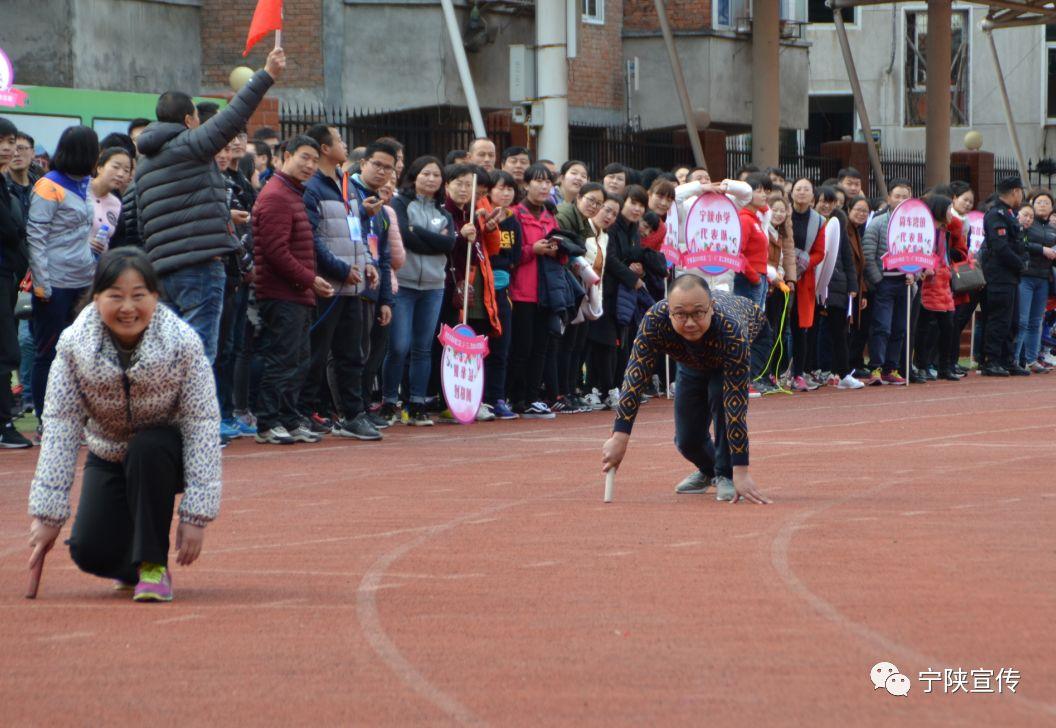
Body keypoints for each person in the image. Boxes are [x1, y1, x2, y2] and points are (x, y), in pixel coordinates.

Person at [26, 248, 221, 602]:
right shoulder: (73, 346)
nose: (127, 308)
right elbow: (61, 426)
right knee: (89, 551)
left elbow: (201, 424)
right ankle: (131, 567)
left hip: (165, 454)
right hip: (109, 451)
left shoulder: (183, 343)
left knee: (148, 448)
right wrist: (47, 514)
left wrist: (197, 514)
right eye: (115, 296)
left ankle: (153, 567)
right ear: (96, 297)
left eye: (138, 296)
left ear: (156, 297)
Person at [134, 47, 285, 364]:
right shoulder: (190, 143)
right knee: (199, 355)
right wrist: (267, 74)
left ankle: (169, 413)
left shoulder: (146, 162)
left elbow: (141, 221)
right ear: (190, 119)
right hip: (199, 265)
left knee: (170, 353)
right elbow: (233, 117)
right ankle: (193, 414)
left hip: (163, 267)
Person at [601, 275, 771, 504]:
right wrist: (619, 437)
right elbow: (635, 376)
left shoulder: (732, 330)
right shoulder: (654, 320)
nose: (689, 322)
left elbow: (735, 406)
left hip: (749, 343)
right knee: (687, 439)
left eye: (698, 313)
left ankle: (726, 475)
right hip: (693, 357)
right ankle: (710, 470)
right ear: (669, 312)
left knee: (720, 394)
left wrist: (740, 471)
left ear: (711, 308)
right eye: (680, 314)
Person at [299, 126, 384, 441]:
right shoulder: (312, 187)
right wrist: (339, 268)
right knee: (316, 352)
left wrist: (367, 264)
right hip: (327, 285)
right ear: (324, 148)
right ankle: (303, 412)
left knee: (352, 353)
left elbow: (355, 230)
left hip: (352, 283)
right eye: (338, 140)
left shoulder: (345, 184)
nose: (345, 145)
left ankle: (352, 414)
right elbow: (311, 238)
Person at [251, 135, 335, 444]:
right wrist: (311, 279)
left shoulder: (291, 193)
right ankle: (267, 422)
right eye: (304, 157)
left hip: (296, 292)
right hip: (281, 293)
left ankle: (287, 418)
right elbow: (276, 252)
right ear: (285, 156)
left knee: (298, 358)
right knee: (282, 358)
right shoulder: (276, 195)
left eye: (315, 159)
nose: (310, 165)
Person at [27, 125, 100, 420]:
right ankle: (47, 418)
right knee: (49, 353)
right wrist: (42, 284)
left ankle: (76, 415)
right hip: (54, 283)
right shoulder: (48, 186)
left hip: (83, 280)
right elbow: (36, 237)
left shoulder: (85, 184)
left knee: (81, 353)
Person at [382, 156, 456, 426]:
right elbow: (403, 235)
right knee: (399, 346)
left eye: (436, 175)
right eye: (426, 174)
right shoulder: (401, 202)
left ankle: (416, 403)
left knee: (423, 348)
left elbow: (449, 243)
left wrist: (421, 235)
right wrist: (432, 239)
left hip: (434, 286)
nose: (431, 179)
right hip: (404, 284)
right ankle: (389, 401)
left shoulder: (443, 211)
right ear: (414, 176)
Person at [861, 178, 914, 385]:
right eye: (897, 196)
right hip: (885, 284)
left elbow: (921, 251)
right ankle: (876, 366)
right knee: (882, 326)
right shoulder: (878, 223)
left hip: (906, 283)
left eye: (905, 196)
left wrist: (914, 273)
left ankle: (891, 368)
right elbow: (868, 253)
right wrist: (878, 280)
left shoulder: (914, 223)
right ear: (888, 198)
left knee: (900, 327)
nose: (901, 200)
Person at [481, 170, 524, 419]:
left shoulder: (512, 221)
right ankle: (477, 398)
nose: (506, 193)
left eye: (510, 189)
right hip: (480, 288)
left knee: (501, 346)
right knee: (479, 346)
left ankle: (496, 397)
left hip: (503, 289)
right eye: (500, 188)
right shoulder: (481, 215)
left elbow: (515, 257)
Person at [0, 118, 32, 447]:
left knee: (8, 350)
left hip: (10, 278)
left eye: (11, 141)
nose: (8, 148)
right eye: (3, 141)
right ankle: (3, 423)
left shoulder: (5, 185)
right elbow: (10, 230)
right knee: (9, 350)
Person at [980, 176, 1029, 377]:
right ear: (1015, 191)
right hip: (999, 275)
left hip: (1011, 275)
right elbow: (1001, 247)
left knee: (1013, 321)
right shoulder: (995, 214)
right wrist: (1020, 264)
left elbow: (1018, 243)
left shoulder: (1009, 213)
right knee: (999, 319)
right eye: (1021, 192)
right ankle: (992, 360)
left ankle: (1007, 359)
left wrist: (1023, 260)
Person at [916, 194, 965, 381]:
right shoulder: (927, 231)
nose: (951, 213)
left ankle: (944, 366)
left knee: (948, 328)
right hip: (930, 283)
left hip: (943, 283)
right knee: (925, 328)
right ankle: (922, 365)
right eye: (948, 209)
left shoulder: (945, 231)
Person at [1015, 190, 1056, 372]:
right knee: (1022, 320)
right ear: (1032, 203)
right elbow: (1020, 243)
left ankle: (1032, 359)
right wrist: (1041, 249)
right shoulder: (1027, 225)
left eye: (1046, 203)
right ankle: (1015, 359)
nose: (1042, 205)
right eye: (1039, 202)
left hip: (1044, 278)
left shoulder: (1053, 229)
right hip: (1026, 276)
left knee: (1036, 321)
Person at [87, 147, 132, 258]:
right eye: (115, 167)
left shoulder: (116, 203)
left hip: (98, 270)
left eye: (126, 170)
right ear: (100, 167)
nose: (121, 174)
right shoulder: (80, 190)